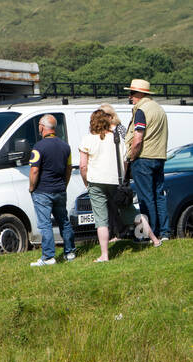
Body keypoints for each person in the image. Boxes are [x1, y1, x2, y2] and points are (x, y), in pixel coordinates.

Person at [79, 107, 156, 261]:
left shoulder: (87, 139)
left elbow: (83, 166)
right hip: (116, 181)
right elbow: (125, 161)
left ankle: (105, 255)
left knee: (101, 220)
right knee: (132, 213)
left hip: (96, 182)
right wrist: (124, 179)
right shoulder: (117, 139)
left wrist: (87, 182)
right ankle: (155, 239)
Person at [126, 79, 170, 243]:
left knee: (146, 198)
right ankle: (164, 232)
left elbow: (138, 138)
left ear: (139, 94)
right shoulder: (159, 109)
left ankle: (150, 233)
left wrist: (132, 156)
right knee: (159, 195)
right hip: (159, 157)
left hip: (143, 157)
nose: (130, 97)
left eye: (131, 93)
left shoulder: (141, 110)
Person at [28, 114, 76, 266]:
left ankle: (48, 257)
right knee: (64, 221)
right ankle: (70, 252)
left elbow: (34, 171)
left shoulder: (38, 147)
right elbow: (68, 169)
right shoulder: (65, 146)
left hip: (43, 191)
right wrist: (64, 185)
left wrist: (31, 187)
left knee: (45, 224)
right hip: (60, 189)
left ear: (42, 127)